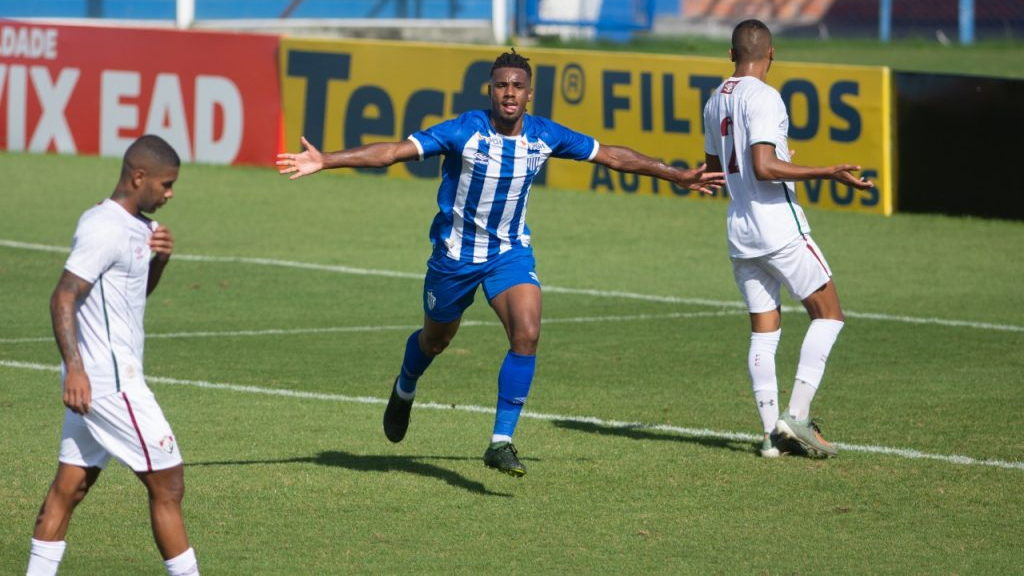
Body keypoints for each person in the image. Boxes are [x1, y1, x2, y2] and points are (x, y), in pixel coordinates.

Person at [278, 50, 724, 476]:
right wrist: (327, 160)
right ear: (489, 91)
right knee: (436, 341)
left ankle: (499, 442)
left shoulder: (544, 134)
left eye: (517, 85)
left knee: (527, 333)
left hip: (509, 253)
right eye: (501, 85)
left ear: (529, 93)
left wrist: (676, 174)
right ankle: (405, 386)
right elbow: (392, 152)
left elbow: (611, 155)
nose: (509, 92)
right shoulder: (464, 131)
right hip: (454, 258)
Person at [27, 135, 200, 576]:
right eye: (165, 184)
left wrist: (158, 261)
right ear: (138, 176)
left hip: (101, 383)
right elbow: (63, 296)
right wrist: (76, 371)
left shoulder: (138, 228)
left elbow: (129, 299)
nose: (170, 194)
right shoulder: (103, 227)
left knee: (70, 488)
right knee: (169, 481)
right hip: (109, 384)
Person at [702, 20, 874, 458]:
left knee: (764, 330)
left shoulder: (714, 99)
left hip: (740, 232)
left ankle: (768, 436)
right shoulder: (766, 96)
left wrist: (778, 159)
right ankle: (795, 417)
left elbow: (716, 167)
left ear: (731, 54)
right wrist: (827, 171)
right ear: (772, 53)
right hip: (778, 228)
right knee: (829, 314)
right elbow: (763, 166)